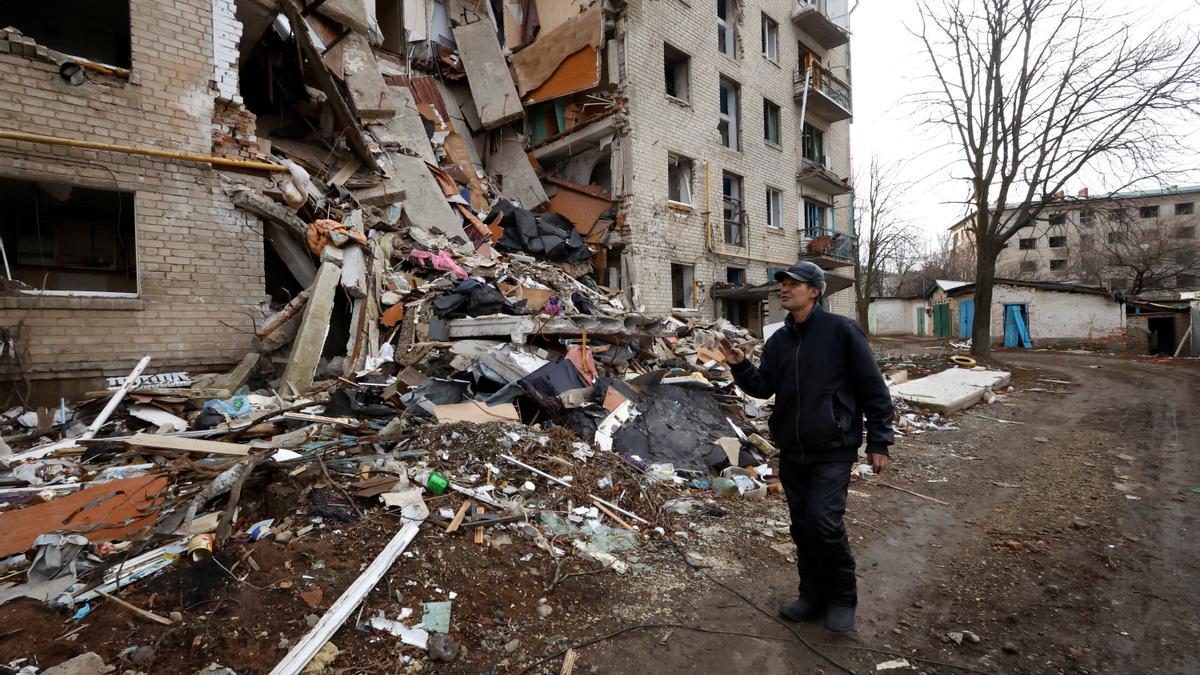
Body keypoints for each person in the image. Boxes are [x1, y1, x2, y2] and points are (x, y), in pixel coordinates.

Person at [718, 261, 894, 633]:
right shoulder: (780, 340)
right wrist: (740, 366)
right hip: (794, 448)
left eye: (793, 284)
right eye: (781, 284)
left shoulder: (841, 331)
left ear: (814, 290)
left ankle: (843, 598)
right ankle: (811, 596)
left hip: (833, 445)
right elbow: (765, 387)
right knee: (802, 525)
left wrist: (880, 440)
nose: (784, 289)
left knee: (825, 522)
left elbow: (873, 388)